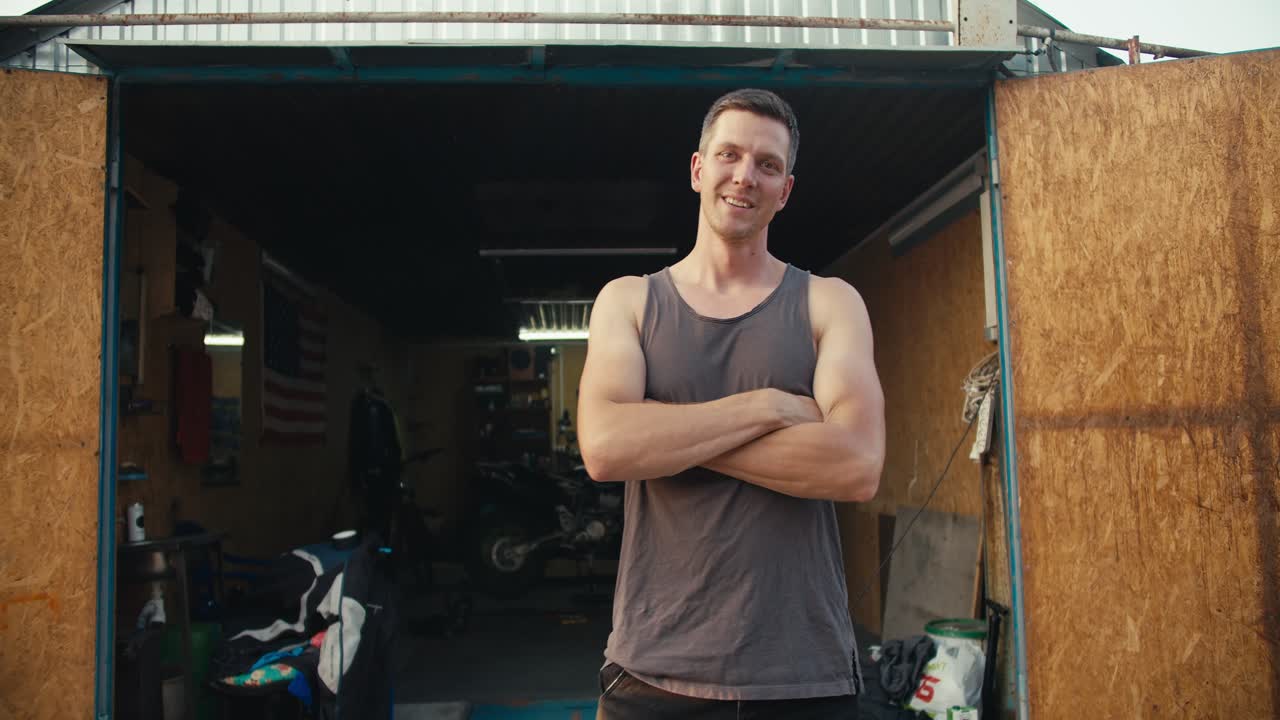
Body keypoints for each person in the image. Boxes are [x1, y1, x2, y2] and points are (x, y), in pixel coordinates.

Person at [577, 88, 887, 719]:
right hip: (653, 673)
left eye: (768, 164)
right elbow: (607, 448)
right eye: (730, 154)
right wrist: (770, 406)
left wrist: (664, 441)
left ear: (786, 190)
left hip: (804, 677)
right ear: (698, 169)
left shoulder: (829, 303)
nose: (745, 175)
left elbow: (855, 465)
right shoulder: (630, 302)